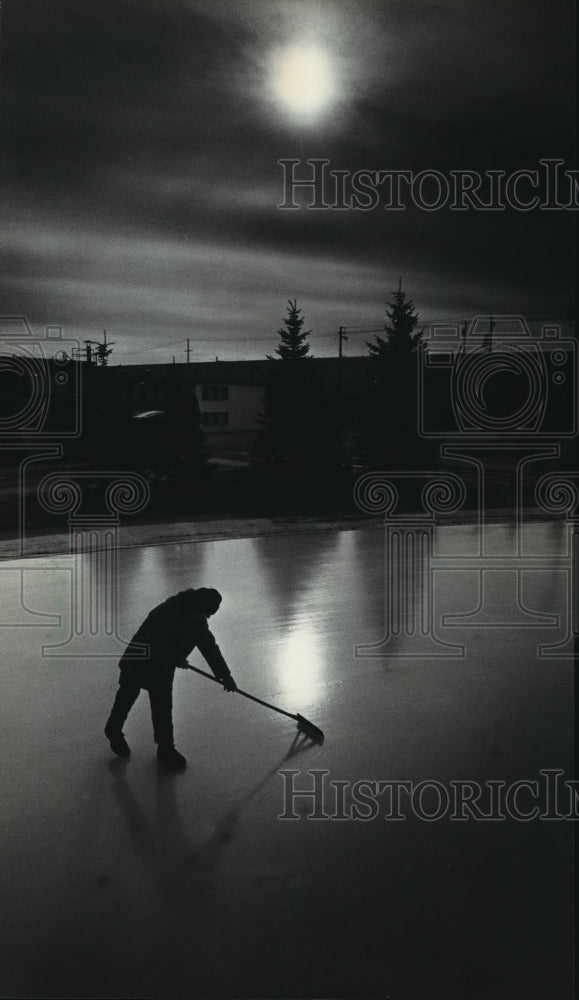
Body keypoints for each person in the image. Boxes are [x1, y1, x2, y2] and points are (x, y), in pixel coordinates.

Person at [105, 587, 237, 769]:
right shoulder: (168, 611)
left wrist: (225, 675)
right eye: (206, 614)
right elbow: (153, 640)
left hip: (162, 668)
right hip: (139, 659)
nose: (206, 618)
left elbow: (209, 647)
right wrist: (175, 658)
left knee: (162, 705)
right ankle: (113, 730)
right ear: (198, 605)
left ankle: (165, 748)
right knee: (127, 696)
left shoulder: (197, 620)